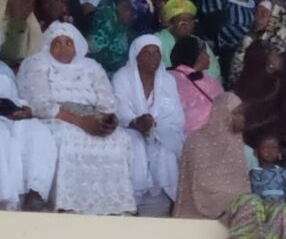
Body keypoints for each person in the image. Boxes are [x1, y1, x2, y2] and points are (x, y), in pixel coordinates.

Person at [173, 92, 286, 239]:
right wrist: (234, 195)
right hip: (207, 203)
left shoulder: (237, 142)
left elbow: (241, 183)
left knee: (280, 209)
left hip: (240, 200)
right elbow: (199, 183)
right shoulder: (197, 140)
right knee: (250, 204)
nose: (243, 119)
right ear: (224, 114)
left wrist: (238, 195)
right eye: (238, 114)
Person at [16, 23, 135, 215]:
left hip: (93, 118)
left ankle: (111, 205)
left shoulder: (91, 66)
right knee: (66, 137)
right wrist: (80, 121)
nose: (63, 47)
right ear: (48, 46)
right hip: (56, 117)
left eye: (68, 42)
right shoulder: (36, 63)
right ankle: (68, 203)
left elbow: (108, 101)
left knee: (119, 139)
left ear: (77, 45)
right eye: (57, 43)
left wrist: (107, 121)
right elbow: (39, 103)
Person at [111, 35, 184, 216]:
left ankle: (168, 200)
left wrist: (154, 126)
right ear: (136, 56)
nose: (152, 57)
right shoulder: (122, 77)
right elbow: (118, 108)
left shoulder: (168, 80)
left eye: (156, 53)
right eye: (147, 52)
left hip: (160, 129)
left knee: (165, 145)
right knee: (134, 142)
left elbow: (176, 116)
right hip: (128, 129)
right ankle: (132, 199)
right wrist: (136, 122)